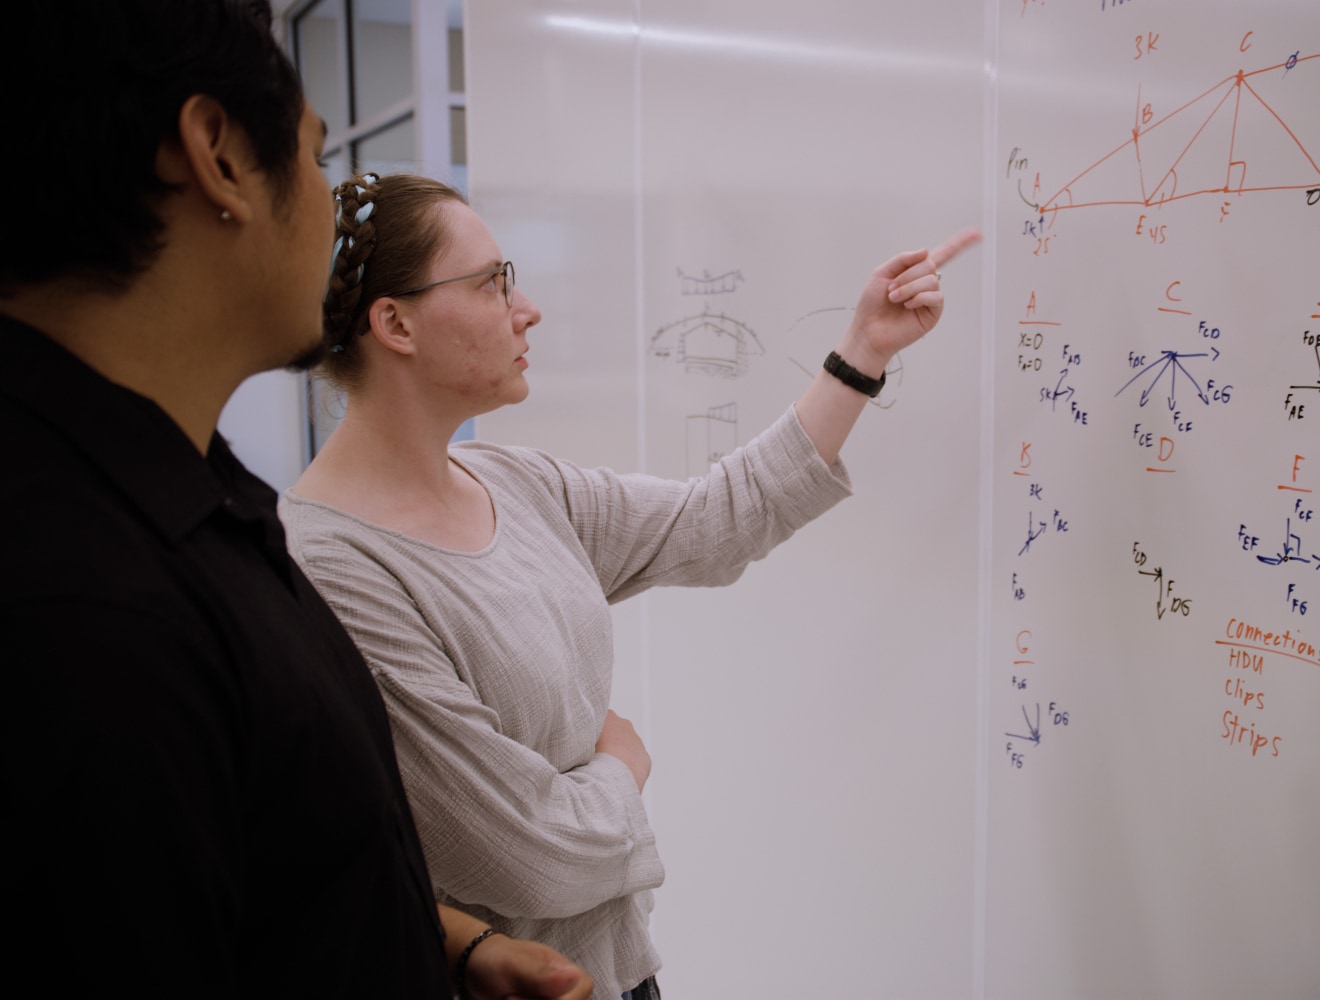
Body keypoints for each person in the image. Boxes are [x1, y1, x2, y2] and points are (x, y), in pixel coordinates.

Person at [0, 4, 593, 997]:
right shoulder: (84, 609)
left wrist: (452, 944)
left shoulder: (187, 504)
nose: (331, 212)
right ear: (219, 155)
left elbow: (265, 863)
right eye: (318, 161)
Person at [278, 168, 980, 999]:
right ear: (393, 323)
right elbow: (530, 857)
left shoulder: (508, 479)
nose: (526, 307)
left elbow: (714, 520)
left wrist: (862, 351)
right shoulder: (334, 567)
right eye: (494, 282)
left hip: (614, 975)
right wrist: (623, 767)